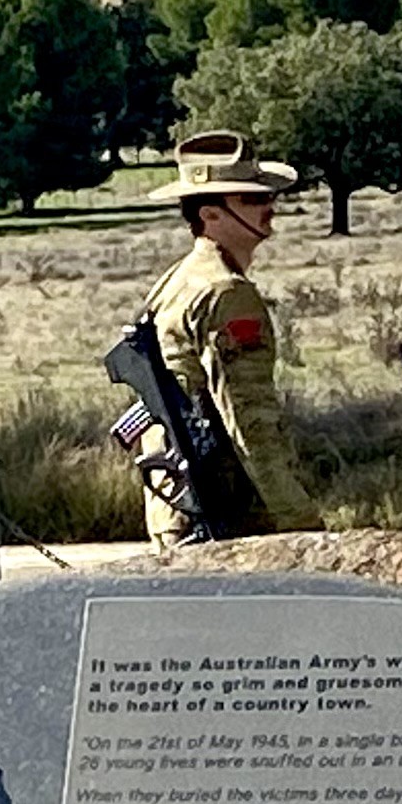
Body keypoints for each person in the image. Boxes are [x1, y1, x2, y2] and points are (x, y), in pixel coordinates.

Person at [138, 130, 309, 543]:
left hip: (180, 503)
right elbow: (249, 421)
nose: (268, 206)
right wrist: (298, 520)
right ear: (210, 215)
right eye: (251, 199)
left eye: (268, 196)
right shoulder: (226, 293)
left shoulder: (176, 281)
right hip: (226, 513)